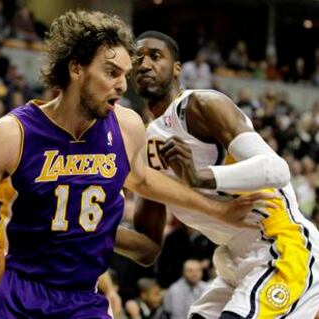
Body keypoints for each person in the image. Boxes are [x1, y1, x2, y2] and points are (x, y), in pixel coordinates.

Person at [0, 12, 271, 319]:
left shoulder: (127, 125)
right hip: (14, 290)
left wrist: (219, 211)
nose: (122, 84)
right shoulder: (11, 134)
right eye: (111, 72)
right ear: (76, 68)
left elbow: (145, 183)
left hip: (81, 298)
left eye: (124, 74)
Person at [132, 30, 319, 318]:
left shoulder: (198, 106)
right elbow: (147, 249)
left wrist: (201, 177)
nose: (144, 64)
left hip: (282, 247)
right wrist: (85, 230)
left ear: (177, 68)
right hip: (234, 262)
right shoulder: (144, 145)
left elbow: (277, 169)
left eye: (155, 56)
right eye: (137, 59)